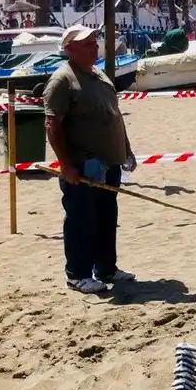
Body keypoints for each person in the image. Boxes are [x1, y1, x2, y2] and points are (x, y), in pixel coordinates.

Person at [43, 25, 135, 294]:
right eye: (86, 44)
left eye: (95, 42)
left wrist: (126, 149)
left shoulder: (99, 74)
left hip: (110, 160)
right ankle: (78, 274)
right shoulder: (63, 80)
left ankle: (106, 268)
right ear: (70, 49)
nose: (94, 47)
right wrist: (66, 165)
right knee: (81, 219)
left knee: (106, 216)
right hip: (84, 163)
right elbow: (52, 125)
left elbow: (114, 114)